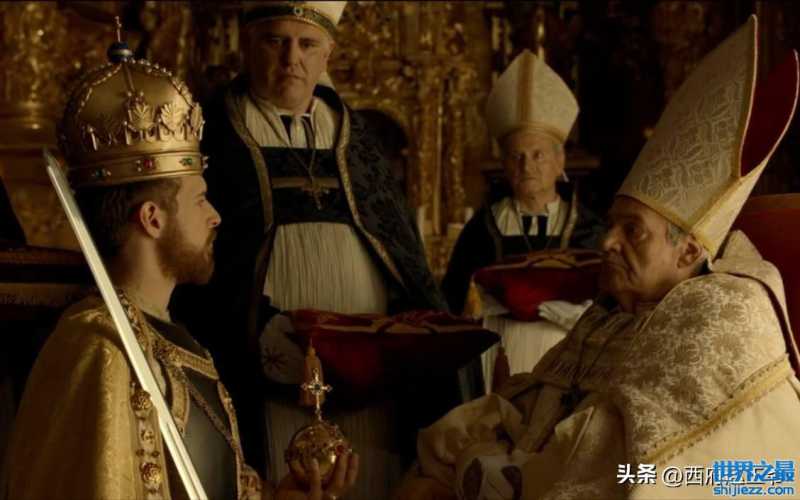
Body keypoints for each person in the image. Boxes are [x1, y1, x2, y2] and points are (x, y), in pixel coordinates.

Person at [393, 16, 800, 500]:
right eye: (611, 225)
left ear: (690, 249)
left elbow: (673, 472)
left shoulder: (722, 308)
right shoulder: (615, 310)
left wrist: (514, 473)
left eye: (632, 230)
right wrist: (471, 452)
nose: (607, 242)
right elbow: (538, 403)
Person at [5, 28, 357, 500]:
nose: (215, 217)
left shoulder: (177, 341)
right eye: (200, 199)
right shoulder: (101, 349)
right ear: (152, 219)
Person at [170, 3, 462, 499]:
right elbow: (194, 273)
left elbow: (405, 263)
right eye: (275, 41)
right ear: (248, 45)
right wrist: (269, 335)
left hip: (369, 392)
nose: (292, 59)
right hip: (264, 384)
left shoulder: (358, 140)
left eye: (307, 44)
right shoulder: (209, 134)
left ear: (328, 53)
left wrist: (395, 337)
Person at [442, 50, 604, 317]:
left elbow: (608, 305)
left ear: (560, 161)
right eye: (517, 156)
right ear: (504, 164)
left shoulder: (589, 230)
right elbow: (453, 301)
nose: (526, 167)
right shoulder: (481, 230)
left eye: (538, 155)